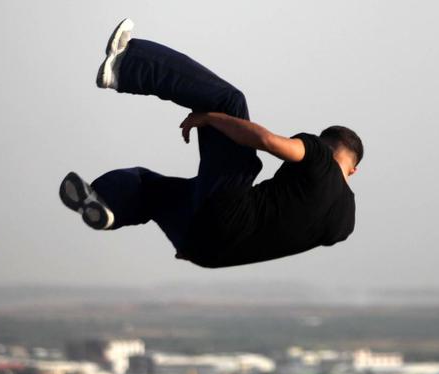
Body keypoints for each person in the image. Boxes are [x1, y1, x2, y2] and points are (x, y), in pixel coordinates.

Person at [59, 19, 362, 268]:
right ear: (354, 170)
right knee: (147, 187)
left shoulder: (320, 157)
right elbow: (288, 234)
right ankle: (106, 205)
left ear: (328, 145)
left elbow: (267, 140)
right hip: (206, 250)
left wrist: (211, 120)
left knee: (228, 101)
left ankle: (125, 66)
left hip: (227, 212)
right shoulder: (344, 223)